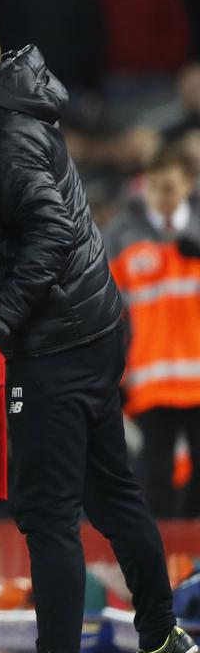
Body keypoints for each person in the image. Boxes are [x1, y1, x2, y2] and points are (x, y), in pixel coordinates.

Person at [0, 8, 196, 653]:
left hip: (56, 339)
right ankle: (162, 636)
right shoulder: (13, 111)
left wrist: (3, 315)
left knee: (45, 510)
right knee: (112, 495)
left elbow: (49, 228)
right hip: (91, 324)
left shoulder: (2, 132)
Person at [106, 146, 200, 518]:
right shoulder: (122, 237)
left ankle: (193, 559)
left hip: (197, 380)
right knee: (155, 478)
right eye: (156, 187)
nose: (163, 196)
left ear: (188, 185)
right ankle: (165, 561)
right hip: (150, 382)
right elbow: (110, 310)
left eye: (170, 187)